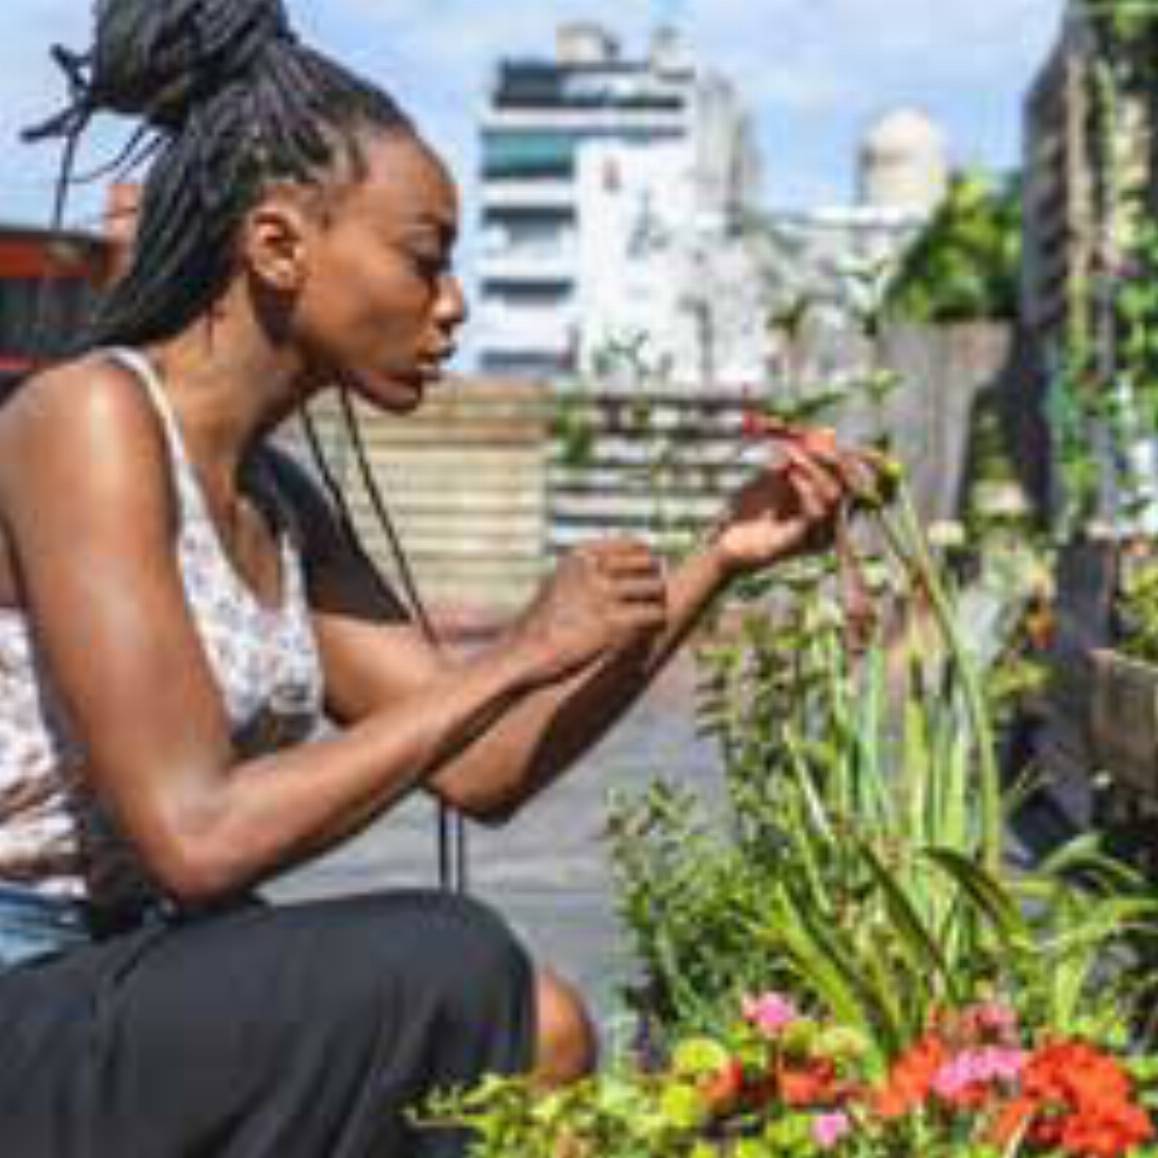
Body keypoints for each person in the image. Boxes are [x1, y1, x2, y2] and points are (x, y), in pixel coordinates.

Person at [0, 1, 854, 1154]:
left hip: (140, 956)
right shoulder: (88, 421)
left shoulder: (283, 501)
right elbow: (193, 833)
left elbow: (486, 766)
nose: (452, 305)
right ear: (278, 245)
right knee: (450, 961)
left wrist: (718, 560)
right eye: (425, 258)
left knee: (541, 1027)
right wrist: (516, 652)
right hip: (30, 982)